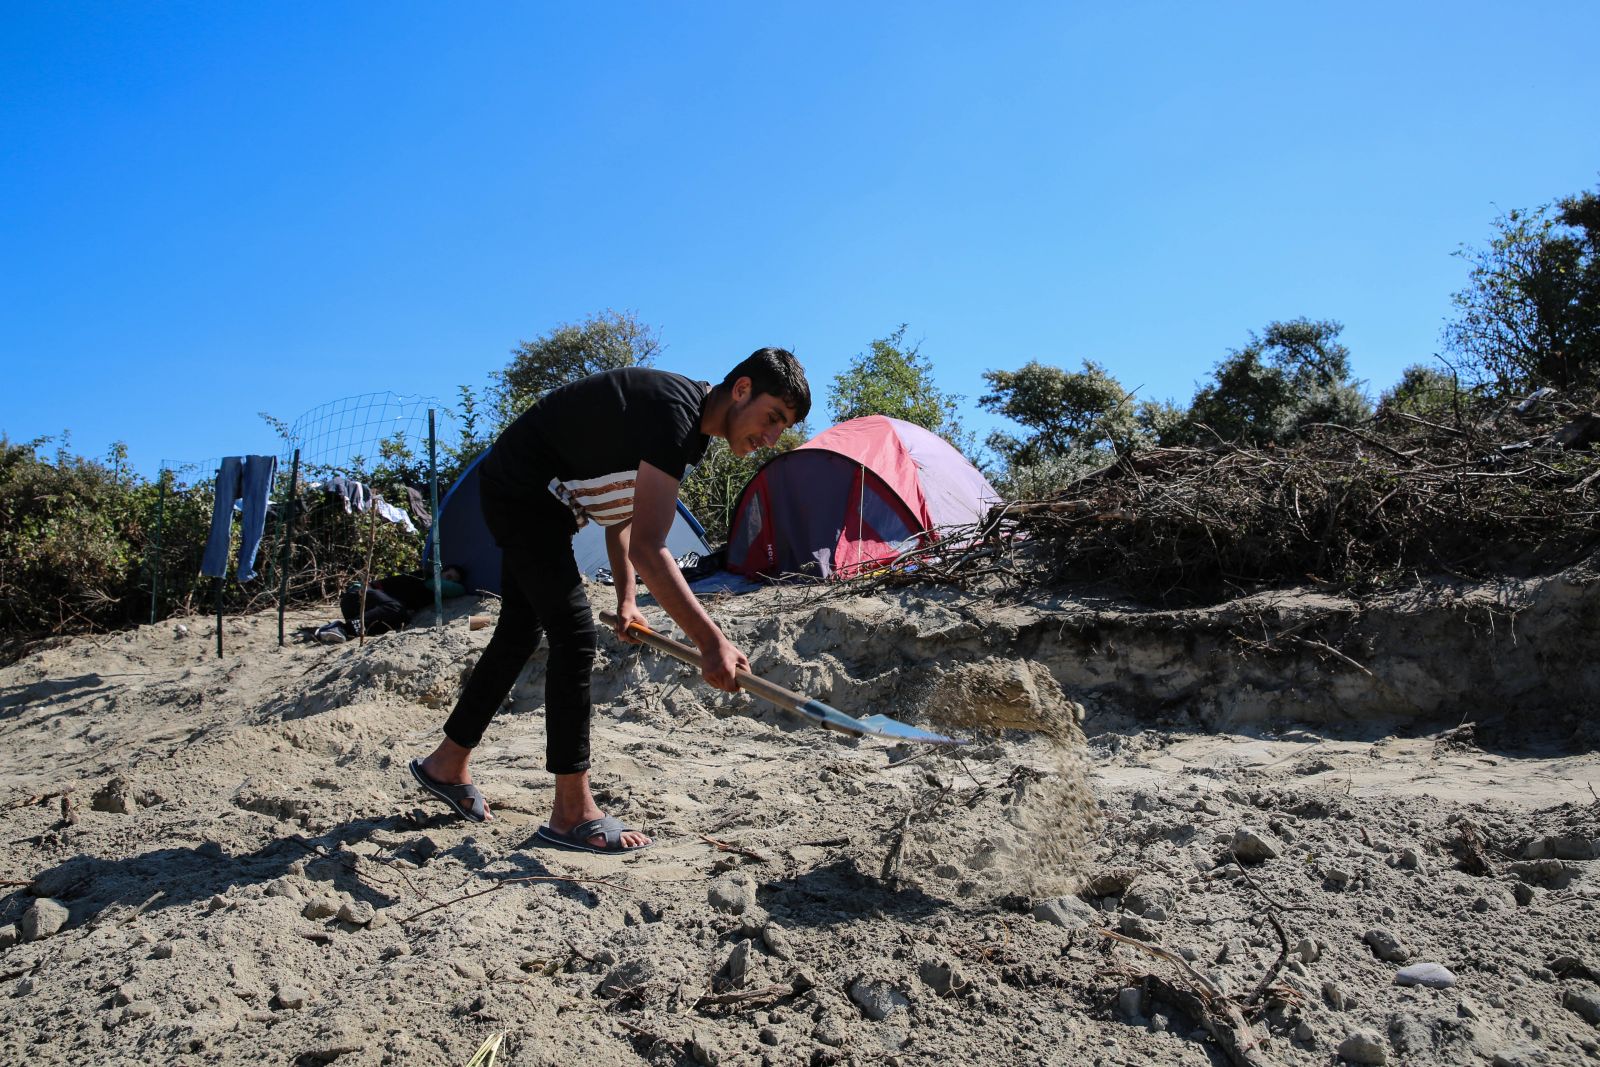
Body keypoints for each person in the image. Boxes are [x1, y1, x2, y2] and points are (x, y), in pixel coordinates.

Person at [409, 348, 810, 853]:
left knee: (520, 631)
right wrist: (712, 643)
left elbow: (622, 509)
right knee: (574, 635)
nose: (772, 437)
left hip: (532, 492)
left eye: (783, 427)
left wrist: (627, 598)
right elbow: (649, 546)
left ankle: (445, 764)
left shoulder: (685, 423)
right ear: (742, 389)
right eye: (772, 418)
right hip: (526, 492)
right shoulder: (676, 415)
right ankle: (571, 813)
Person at [314, 564, 467, 643]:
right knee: (396, 608)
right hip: (358, 596)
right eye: (448, 576)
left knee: (403, 618)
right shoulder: (426, 577)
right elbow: (455, 589)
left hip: (369, 610)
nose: (449, 581)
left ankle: (346, 630)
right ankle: (341, 628)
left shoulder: (426, 596)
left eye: (453, 579)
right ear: (440, 572)